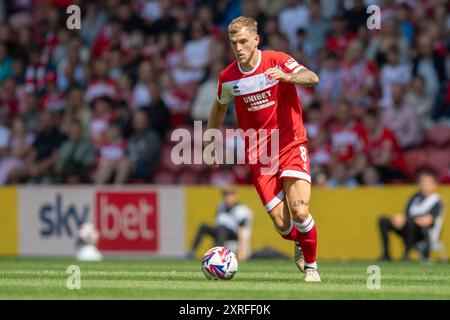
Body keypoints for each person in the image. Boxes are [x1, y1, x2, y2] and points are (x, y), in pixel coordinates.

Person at [204, 16, 320, 282]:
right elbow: (220, 105)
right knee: (283, 224)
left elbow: (312, 78)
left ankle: (312, 269)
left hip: (291, 143)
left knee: (300, 210)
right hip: (260, 155)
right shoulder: (228, 77)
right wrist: (210, 140)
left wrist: (288, 76)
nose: (239, 47)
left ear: (256, 40)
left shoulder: (276, 60)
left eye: (244, 41)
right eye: (234, 43)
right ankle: (301, 240)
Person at [378, 169, 444, 261]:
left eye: (426, 183)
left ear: (434, 185)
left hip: (424, 235)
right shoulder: (415, 197)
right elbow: (406, 214)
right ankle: (386, 254)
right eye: (421, 182)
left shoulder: (436, 201)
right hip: (408, 230)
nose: (423, 185)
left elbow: (428, 221)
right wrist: (398, 219)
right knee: (384, 221)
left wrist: (408, 220)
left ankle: (406, 255)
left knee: (409, 223)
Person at [187, 184, 253, 261]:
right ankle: (192, 252)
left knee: (222, 229)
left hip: (233, 235)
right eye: (225, 195)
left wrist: (242, 250)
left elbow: (241, 231)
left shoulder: (242, 210)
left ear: (235, 196)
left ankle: (215, 255)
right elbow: (217, 222)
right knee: (203, 226)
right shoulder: (221, 206)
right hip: (220, 231)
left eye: (230, 195)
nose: (227, 197)